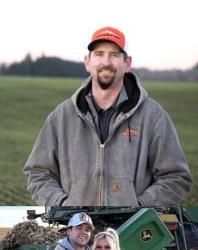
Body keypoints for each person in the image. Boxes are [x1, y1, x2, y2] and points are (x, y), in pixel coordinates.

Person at [24, 26, 191, 206]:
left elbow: (176, 178)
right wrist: (63, 204)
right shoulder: (61, 117)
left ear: (127, 64)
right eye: (99, 54)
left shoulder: (153, 116)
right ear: (87, 62)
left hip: (130, 228)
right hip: (79, 226)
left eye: (114, 54)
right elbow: (38, 173)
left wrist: (139, 207)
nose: (106, 62)